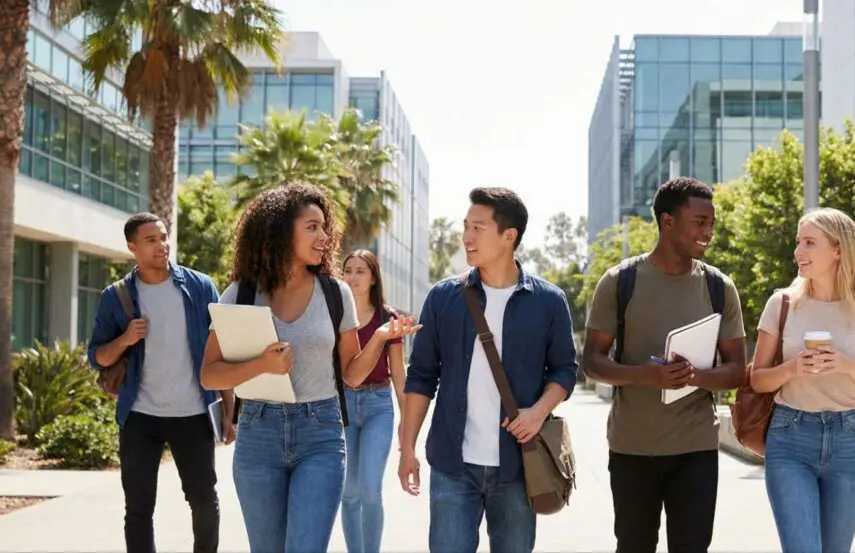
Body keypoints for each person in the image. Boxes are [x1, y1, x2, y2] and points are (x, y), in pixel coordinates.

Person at [199, 183, 421, 553]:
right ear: (281, 230)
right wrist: (259, 365)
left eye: (324, 227)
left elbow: (350, 373)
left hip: (320, 433)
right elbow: (209, 373)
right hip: (258, 433)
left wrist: (380, 337)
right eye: (312, 227)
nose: (324, 236)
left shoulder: (336, 293)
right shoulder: (242, 293)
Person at [398, 187, 579, 553]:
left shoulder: (548, 302)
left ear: (508, 236)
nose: (466, 237)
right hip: (453, 465)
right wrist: (406, 448)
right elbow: (420, 377)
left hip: (518, 467)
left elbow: (564, 371)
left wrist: (538, 412)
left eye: (477, 228)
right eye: (465, 226)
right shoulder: (443, 297)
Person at [581, 177, 748, 553]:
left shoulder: (720, 288)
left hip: (696, 449)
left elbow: (738, 369)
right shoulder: (619, 282)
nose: (708, 232)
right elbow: (592, 360)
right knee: (634, 546)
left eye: (712, 223)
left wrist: (696, 376)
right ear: (667, 221)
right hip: (632, 448)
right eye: (699, 222)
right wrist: (644, 374)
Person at [750, 207, 855, 553]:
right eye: (798, 242)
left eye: (809, 243)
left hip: (849, 443)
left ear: (838, 250)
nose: (798, 252)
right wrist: (792, 370)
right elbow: (757, 380)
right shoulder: (781, 303)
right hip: (790, 440)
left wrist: (848, 366)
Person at [87, 212, 231, 553]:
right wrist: (124, 340)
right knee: (138, 508)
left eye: (164, 237)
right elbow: (98, 357)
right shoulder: (116, 297)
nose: (161, 245)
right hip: (140, 415)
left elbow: (221, 350)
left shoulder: (200, 287)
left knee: (204, 501)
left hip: (193, 412)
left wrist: (229, 409)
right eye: (151, 240)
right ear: (132, 247)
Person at [338, 249, 407, 553]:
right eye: (348, 270)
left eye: (360, 271)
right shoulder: (336, 313)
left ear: (373, 277)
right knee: (349, 493)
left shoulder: (386, 318)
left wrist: (408, 421)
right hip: (344, 406)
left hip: (379, 404)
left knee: (369, 490)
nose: (352, 277)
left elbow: (399, 372)